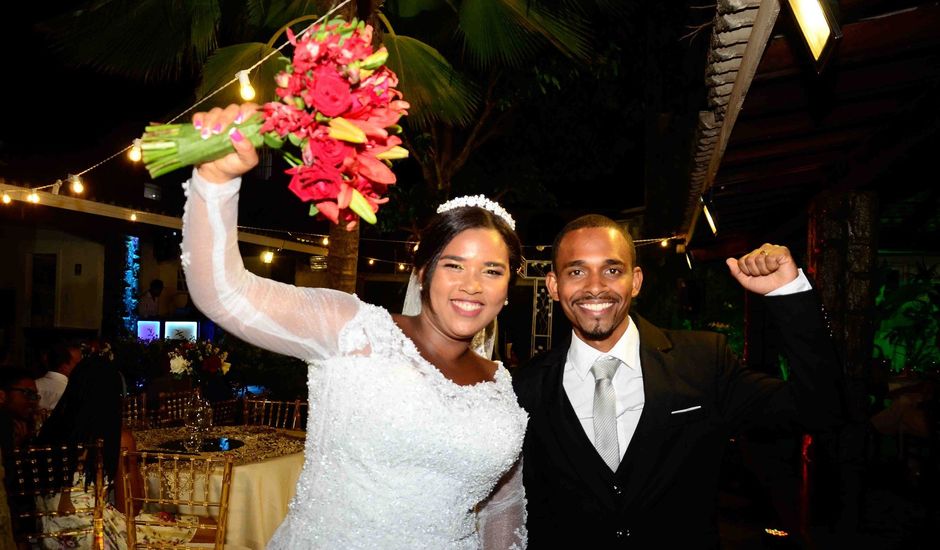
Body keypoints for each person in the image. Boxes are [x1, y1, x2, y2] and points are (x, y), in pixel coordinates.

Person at [181, 103, 528, 549]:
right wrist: (216, 180)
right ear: (421, 272)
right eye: (454, 265)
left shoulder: (501, 387)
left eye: (492, 271)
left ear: (507, 288)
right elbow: (224, 294)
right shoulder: (352, 331)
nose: (472, 285)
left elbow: (503, 508)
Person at [512, 215, 844, 548]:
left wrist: (789, 295)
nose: (595, 286)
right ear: (554, 286)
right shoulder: (524, 388)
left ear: (636, 281)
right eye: (577, 271)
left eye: (612, 270)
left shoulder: (702, 361)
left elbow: (821, 409)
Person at [33, 355, 155, 549]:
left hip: (47, 535)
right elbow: (130, 507)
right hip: (94, 535)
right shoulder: (117, 438)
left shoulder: (48, 432)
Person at [35, 341, 81, 411]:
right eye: (77, 363)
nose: (81, 367)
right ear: (64, 365)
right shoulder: (74, 392)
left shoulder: (34, 385)